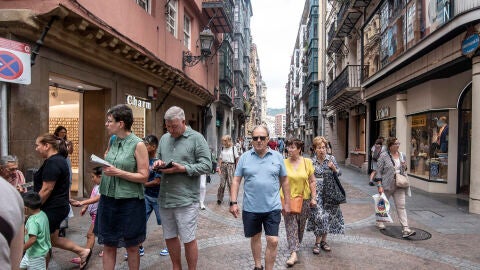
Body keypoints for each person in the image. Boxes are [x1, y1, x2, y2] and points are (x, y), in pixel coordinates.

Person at [153, 106, 211, 270]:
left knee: (188, 238)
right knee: (170, 236)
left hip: (186, 199)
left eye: (174, 126)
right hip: (165, 197)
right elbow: (158, 156)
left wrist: (183, 168)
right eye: (168, 126)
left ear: (183, 122)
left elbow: (207, 165)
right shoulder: (164, 138)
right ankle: (176, 267)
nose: (171, 130)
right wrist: (157, 163)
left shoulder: (197, 138)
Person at [94, 104, 149, 270]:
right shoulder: (112, 140)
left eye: (109, 121)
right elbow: (109, 157)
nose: (106, 123)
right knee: (108, 244)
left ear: (121, 123)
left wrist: (118, 172)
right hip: (108, 199)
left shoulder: (138, 144)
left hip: (130, 202)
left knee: (132, 246)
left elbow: (144, 176)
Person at [229, 125, 291, 270]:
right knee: (255, 237)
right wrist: (233, 202)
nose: (258, 140)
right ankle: (258, 266)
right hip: (251, 207)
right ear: (252, 140)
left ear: (267, 139)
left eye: (262, 138)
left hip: (273, 207)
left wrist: (287, 203)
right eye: (255, 138)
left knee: (273, 240)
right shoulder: (244, 157)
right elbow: (236, 180)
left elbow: (285, 180)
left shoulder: (277, 156)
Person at [33, 133, 91, 268]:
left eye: (38, 145)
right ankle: (83, 251)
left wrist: (33, 207)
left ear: (46, 146)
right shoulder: (58, 160)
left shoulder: (53, 162)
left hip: (51, 209)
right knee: (53, 239)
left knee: (42, 242)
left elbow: (47, 189)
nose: (36, 149)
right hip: (57, 207)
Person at [282, 139, 316, 267]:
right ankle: (294, 253)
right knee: (291, 226)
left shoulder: (307, 162)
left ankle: (296, 244)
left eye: (292, 147)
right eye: (288, 147)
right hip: (287, 199)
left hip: (304, 199)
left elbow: (312, 181)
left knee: (300, 227)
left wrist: (314, 197)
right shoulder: (283, 163)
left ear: (299, 149)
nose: (289, 150)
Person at [307, 136, 344, 254]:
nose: (322, 150)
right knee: (319, 216)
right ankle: (317, 243)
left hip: (329, 191)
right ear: (315, 149)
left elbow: (339, 173)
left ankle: (323, 241)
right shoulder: (311, 161)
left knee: (327, 215)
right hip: (316, 191)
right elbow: (308, 177)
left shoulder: (331, 159)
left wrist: (334, 168)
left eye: (324, 147)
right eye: (319, 148)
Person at [375, 137, 416, 238]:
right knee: (383, 204)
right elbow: (379, 171)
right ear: (390, 146)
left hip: (399, 184)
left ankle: (406, 228)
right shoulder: (383, 156)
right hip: (387, 184)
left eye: (398, 143)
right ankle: (380, 221)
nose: (398, 145)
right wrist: (379, 185)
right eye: (396, 144)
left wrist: (404, 166)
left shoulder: (402, 155)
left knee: (401, 206)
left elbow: (404, 169)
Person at [140, 135, 168, 257]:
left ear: (153, 147)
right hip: (146, 196)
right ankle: (139, 246)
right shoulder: (143, 160)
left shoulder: (158, 162)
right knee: (141, 220)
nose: (143, 146)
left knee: (165, 223)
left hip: (158, 198)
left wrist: (143, 184)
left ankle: (169, 246)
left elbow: (158, 181)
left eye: (146, 144)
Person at [70, 166, 103, 263]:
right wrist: (85, 207)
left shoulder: (102, 187)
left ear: (100, 176)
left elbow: (97, 198)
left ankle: (85, 256)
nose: (92, 179)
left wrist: (81, 203)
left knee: (90, 234)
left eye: (93, 177)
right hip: (95, 214)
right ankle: (107, 249)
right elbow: (92, 197)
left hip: (99, 214)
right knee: (101, 233)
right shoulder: (96, 186)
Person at [20, 191, 51, 270]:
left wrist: (21, 249)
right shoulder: (42, 214)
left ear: (26, 208)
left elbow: (32, 239)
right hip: (32, 253)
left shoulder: (33, 221)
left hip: (35, 256)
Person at [0, 176, 24, 269]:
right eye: (11, 169)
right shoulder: (10, 193)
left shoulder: (11, 194)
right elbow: (14, 264)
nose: (14, 172)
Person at [216, 135, 239, 205]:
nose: (223, 142)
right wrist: (218, 168)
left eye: (224, 140)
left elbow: (237, 158)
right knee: (222, 184)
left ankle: (232, 199)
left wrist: (237, 169)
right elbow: (220, 158)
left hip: (231, 166)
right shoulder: (223, 148)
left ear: (228, 141)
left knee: (230, 184)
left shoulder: (233, 148)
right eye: (223, 140)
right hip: (223, 166)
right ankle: (219, 198)